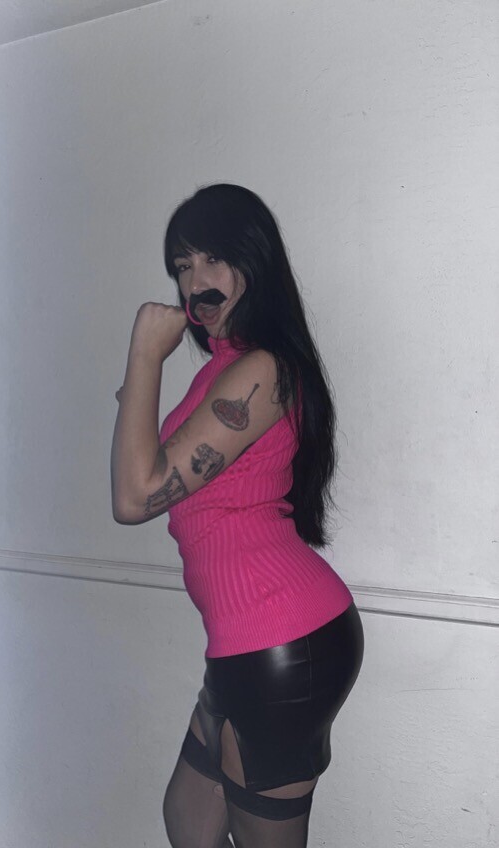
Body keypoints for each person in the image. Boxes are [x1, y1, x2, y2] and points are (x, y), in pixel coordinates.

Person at [110, 183, 364, 848]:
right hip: (247, 643)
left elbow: (134, 497)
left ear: (254, 262)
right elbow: (149, 474)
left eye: (213, 259)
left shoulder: (261, 370)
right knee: (188, 818)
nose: (195, 282)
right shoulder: (229, 367)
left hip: (283, 643)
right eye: (182, 266)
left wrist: (145, 354)